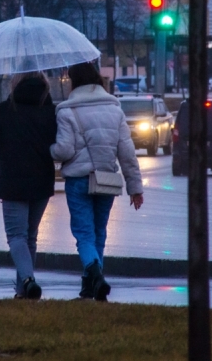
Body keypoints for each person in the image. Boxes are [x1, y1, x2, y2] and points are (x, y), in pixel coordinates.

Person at [50, 62, 144, 301]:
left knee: (84, 234)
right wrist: (135, 188)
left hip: (79, 182)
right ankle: (91, 284)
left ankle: (95, 276)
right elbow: (127, 153)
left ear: (74, 82)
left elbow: (63, 150)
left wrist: (48, 149)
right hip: (106, 180)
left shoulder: (66, 111)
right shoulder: (115, 109)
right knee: (99, 233)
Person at [0, 71, 57, 299]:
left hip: (12, 181)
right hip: (42, 180)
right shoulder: (50, 112)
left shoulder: (5, 110)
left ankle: (27, 280)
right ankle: (23, 291)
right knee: (30, 237)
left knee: (16, 236)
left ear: (15, 85)